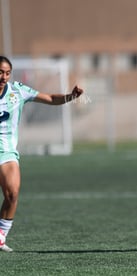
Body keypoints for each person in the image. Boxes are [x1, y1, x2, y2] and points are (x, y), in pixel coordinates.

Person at [0, 56, 84, 252]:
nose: (3, 77)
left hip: (7, 152)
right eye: (0, 72)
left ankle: (1, 235)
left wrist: (70, 96)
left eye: (7, 73)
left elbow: (50, 99)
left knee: (12, 193)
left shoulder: (17, 91)